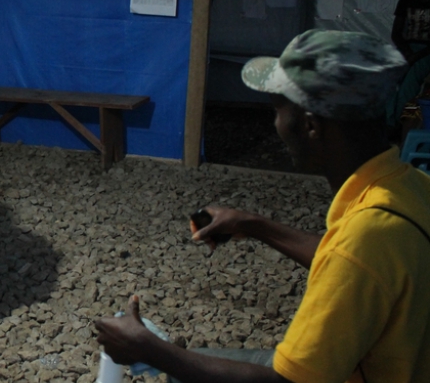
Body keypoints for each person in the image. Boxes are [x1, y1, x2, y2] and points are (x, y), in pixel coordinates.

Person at [95, 30, 430, 382]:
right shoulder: (409, 188)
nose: (275, 125)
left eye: (278, 111)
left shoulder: (363, 241)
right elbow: (355, 264)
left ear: (310, 125)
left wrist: (151, 350)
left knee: (183, 369)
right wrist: (253, 224)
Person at [388, 0, 430, 127]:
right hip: (407, 49)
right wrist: (407, 53)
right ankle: (388, 121)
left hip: (426, 52)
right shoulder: (406, 1)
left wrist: (415, 56)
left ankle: (400, 122)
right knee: (389, 79)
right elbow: (396, 33)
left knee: (410, 84)